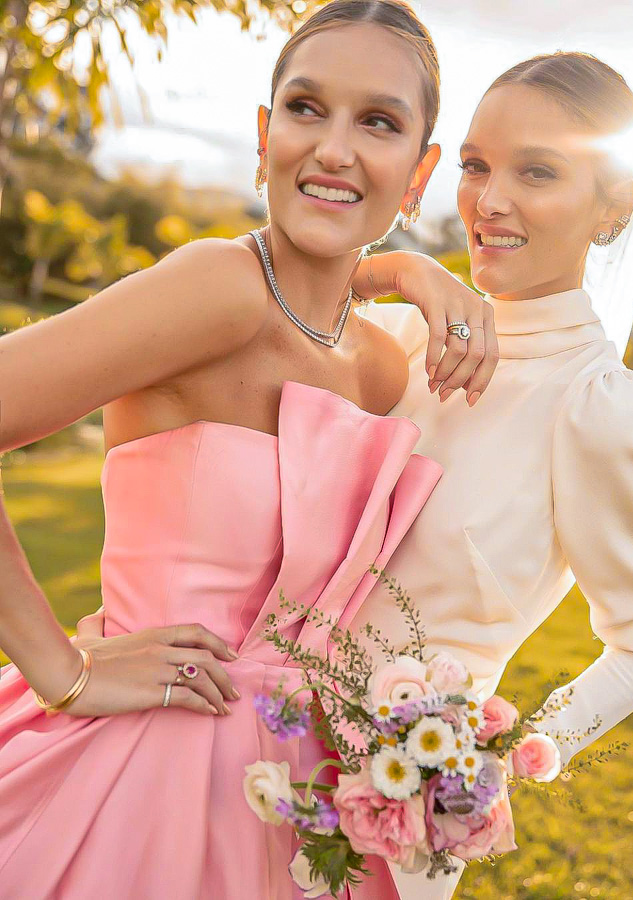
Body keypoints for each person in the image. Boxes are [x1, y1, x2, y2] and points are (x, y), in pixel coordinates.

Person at [0, 3, 495, 897]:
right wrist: (60, 669)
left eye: (377, 122)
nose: (335, 149)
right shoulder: (216, 288)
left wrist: (409, 270)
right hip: (143, 776)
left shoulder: (380, 364)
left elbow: (326, 279)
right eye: (307, 110)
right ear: (266, 138)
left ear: (420, 174)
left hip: (297, 796)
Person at [346, 50, 633, 898]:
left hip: (392, 820)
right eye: (475, 166)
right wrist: (401, 267)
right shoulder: (397, 332)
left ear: (611, 206)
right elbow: (259, 295)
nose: (489, 201)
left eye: (536, 171)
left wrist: (513, 750)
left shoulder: (599, 408)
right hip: (245, 745)